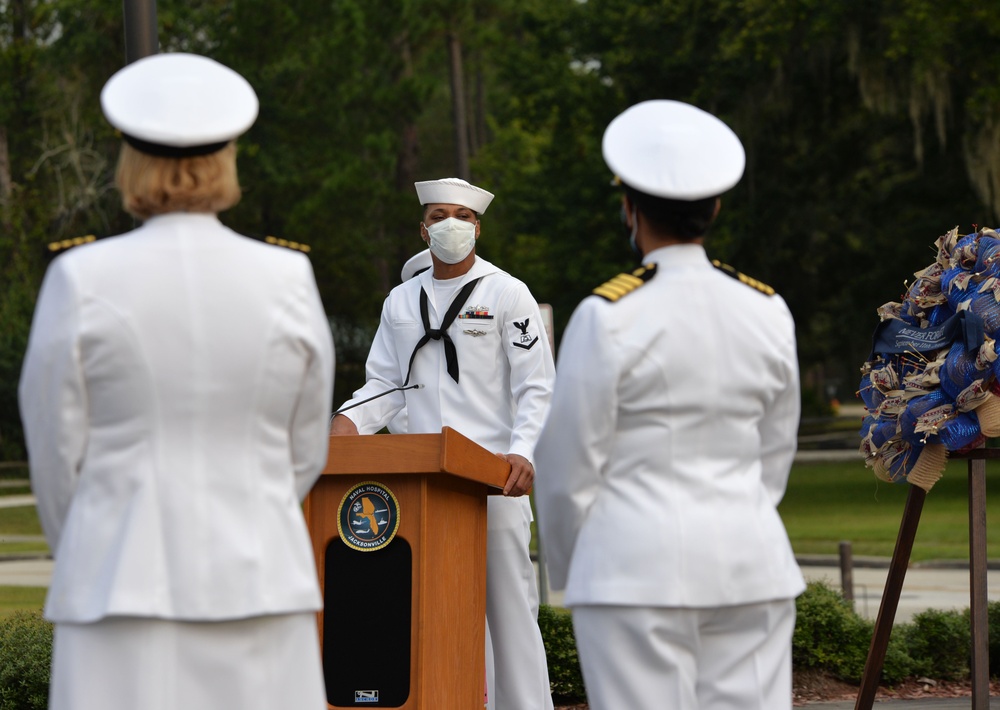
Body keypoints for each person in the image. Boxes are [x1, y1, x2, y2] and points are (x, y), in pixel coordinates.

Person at [18, 53, 334, 710]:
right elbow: (303, 449)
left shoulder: (82, 277)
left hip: (117, 582)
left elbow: (54, 446)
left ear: (130, 162)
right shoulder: (287, 278)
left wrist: (89, 539)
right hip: (261, 578)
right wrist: (256, 504)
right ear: (229, 159)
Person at [533, 100, 805, 710]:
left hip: (632, 572)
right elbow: (774, 454)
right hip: (750, 564)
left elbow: (567, 469)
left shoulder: (608, 315)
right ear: (713, 207)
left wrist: (582, 571)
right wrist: (739, 516)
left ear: (627, 207)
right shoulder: (768, 309)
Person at [330, 178, 555, 710]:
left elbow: (536, 385)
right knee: (438, 614)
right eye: (438, 215)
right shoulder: (401, 299)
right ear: (423, 227)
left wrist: (523, 450)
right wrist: (347, 424)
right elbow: (383, 384)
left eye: (461, 215)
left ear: (477, 227)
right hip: (426, 484)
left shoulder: (506, 292)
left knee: (509, 616)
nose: (449, 224)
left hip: (493, 480)